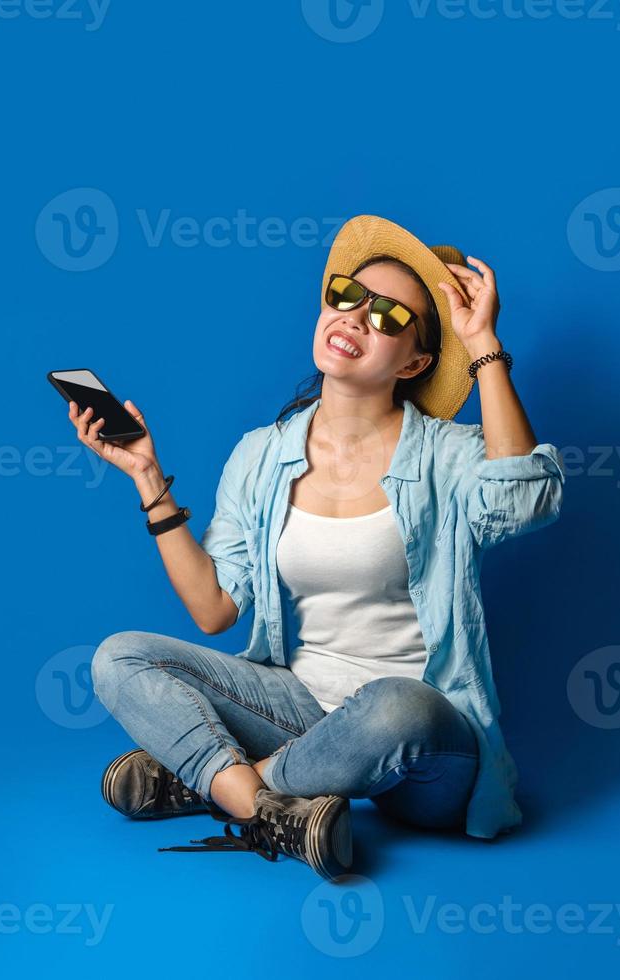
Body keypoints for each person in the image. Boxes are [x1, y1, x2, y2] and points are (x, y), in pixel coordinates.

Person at [68, 215, 563, 880]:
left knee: (397, 704)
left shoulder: (448, 455)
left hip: (422, 744)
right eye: (345, 295)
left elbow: (524, 500)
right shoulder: (260, 455)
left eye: (389, 317)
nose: (358, 318)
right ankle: (268, 808)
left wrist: (484, 347)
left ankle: (216, 785)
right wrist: (148, 479)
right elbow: (215, 610)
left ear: (416, 361)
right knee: (117, 657)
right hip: (301, 712)